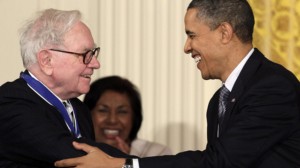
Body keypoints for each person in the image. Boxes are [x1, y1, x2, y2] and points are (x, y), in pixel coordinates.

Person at [54, 0, 300, 167]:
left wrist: (122, 164)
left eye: (192, 35)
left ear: (224, 33)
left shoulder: (272, 87)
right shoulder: (219, 101)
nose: (186, 47)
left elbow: (218, 163)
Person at [0, 8, 130, 167]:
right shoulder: (9, 106)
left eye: (94, 53)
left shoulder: (79, 109)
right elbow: (80, 156)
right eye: (85, 54)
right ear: (47, 61)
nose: (96, 64)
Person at [83, 75, 172, 157]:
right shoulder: (74, 151)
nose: (112, 120)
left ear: (134, 117)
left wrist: (126, 163)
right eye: (103, 110)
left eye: (122, 112)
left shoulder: (156, 153)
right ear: (86, 113)